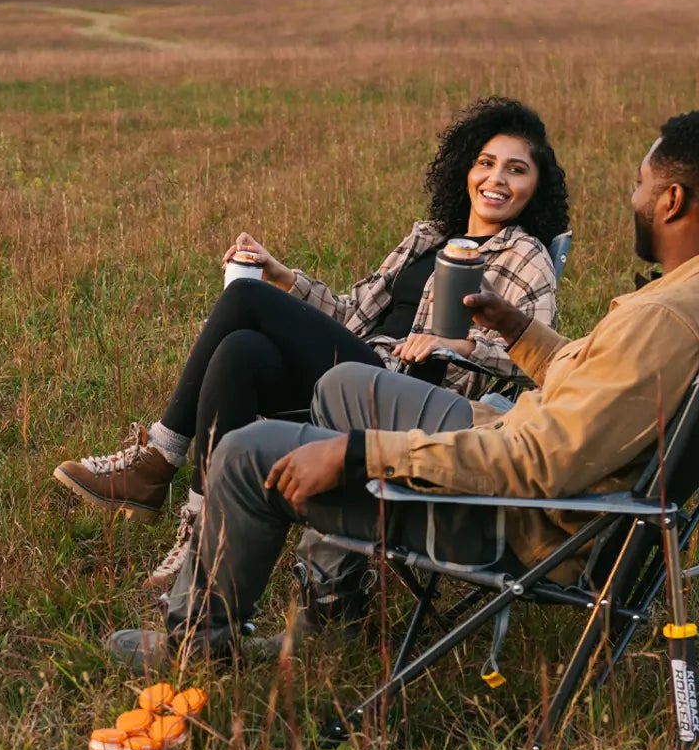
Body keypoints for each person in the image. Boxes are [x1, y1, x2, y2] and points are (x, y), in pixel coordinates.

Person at [105, 108, 699, 669]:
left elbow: (542, 464)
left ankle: (199, 644)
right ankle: (331, 611)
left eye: (640, 185)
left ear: (672, 200)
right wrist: (519, 330)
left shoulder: (663, 317)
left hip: (513, 519)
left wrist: (356, 455)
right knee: (345, 381)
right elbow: (588, 392)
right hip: (509, 446)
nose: (632, 199)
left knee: (249, 453)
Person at [54, 97, 571, 590]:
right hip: (355, 366)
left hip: (406, 396)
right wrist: (284, 277)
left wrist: (455, 345)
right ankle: (202, 535)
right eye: (486, 163)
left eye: (516, 169)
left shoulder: (526, 256)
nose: (496, 179)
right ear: (466, 168)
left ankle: (159, 457)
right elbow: (351, 313)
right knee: (241, 353)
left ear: (535, 186)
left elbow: (532, 358)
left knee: (245, 301)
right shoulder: (428, 236)